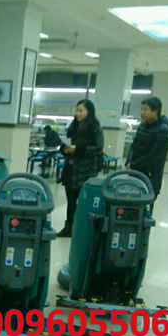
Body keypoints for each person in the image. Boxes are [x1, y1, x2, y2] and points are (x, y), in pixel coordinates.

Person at [58, 99, 104, 237]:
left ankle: (82, 228)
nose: (78, 113)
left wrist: (78, 149)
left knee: (84, 201)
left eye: (81, 110)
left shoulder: (95, 127)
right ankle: (69, 227)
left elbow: (98, 148)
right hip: (70, 169)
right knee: (70, 201)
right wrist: (65, 149)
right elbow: (66, 144)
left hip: (85, 170)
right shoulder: (73, 126)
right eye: (77, 110)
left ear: (89, 112)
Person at [126, 96, 168, 211]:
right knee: (131, 205)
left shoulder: (163, 130)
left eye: (145, 109)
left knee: (145, 208)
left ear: (155, 111)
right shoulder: (142, 126)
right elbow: (134, 145)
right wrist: (129, 161)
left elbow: (154, 155)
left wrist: (134, 164)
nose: (142, 112)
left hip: (151, 176)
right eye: (141, 109)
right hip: (135, 173)